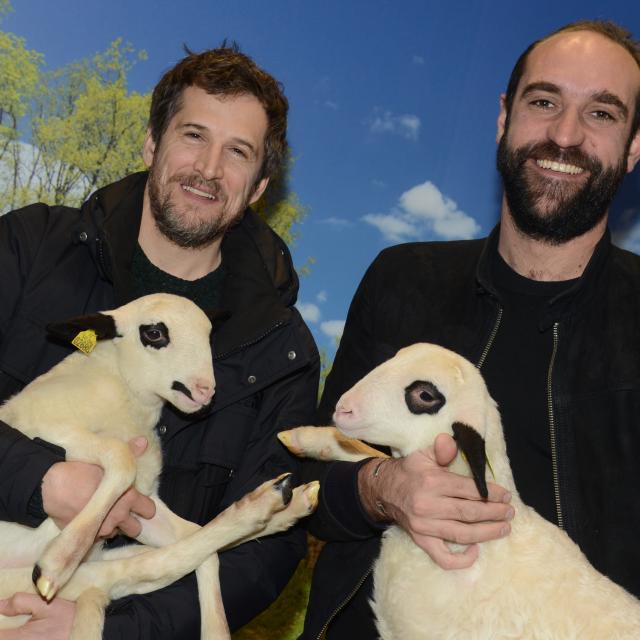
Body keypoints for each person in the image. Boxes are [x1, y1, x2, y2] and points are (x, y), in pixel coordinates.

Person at [301, 19, 640, 639]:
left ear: (635, 146)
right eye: (544, 102)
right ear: (503, 118)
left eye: (601, 114)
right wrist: (381, 488)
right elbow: (306, 482)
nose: (565, 135)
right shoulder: (401, 278)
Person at [0, 44, 319, 638]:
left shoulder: (282, 350)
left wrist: (105, 629)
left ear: (258, 187)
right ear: (152, 142)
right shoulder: (32, 248)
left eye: (238, 152)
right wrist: (41, 479)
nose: (208, 168)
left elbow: (265, 556)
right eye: (193, 135)